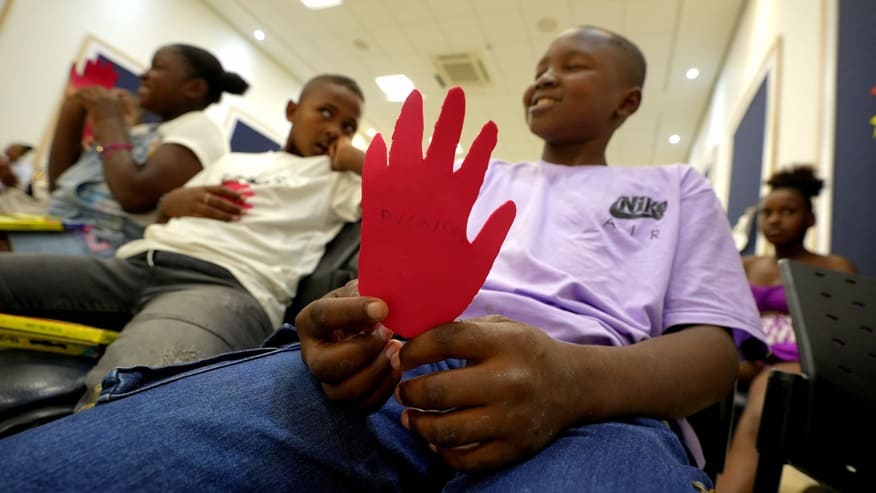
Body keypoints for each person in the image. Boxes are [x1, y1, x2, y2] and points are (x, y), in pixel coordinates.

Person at [0, 27, 763, 492]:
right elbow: (391, 280)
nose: (544, 77)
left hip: (602, 407)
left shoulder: (673, 188)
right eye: (540, 66)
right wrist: (348, 325)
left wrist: (573, 383)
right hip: (393, 377)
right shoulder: (477, 173)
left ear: (627, 102)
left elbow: (711, 356)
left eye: (573, 66)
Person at [0, 73, 366, 406]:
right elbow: (164, 216)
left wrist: (355, 158)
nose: (335, 129)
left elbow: (414, 194)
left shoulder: (340, 183)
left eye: (347, 125)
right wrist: (169, 204)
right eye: (325, 113)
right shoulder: (234, 159)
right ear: (292, 110)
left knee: (129, 403)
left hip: (225, 286)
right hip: (139, 262)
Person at [1, 44, 248, 256]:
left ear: (194, 88)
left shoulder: (200, 129)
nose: (144, 75)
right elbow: (61, 187)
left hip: (108, 244)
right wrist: (73, 110)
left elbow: (135, 195)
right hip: (64, 225)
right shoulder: (148, 132)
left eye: (157, 67)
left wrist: (110, 123)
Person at [716, 165, 855, 493]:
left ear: (809, 218)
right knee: (702, 372)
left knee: (770, 386)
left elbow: (840, 335)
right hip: (751, 354)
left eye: (787, 212)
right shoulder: (746, 264)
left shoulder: (833, 267)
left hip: (799, 361)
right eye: (768, 213)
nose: (774, 220)